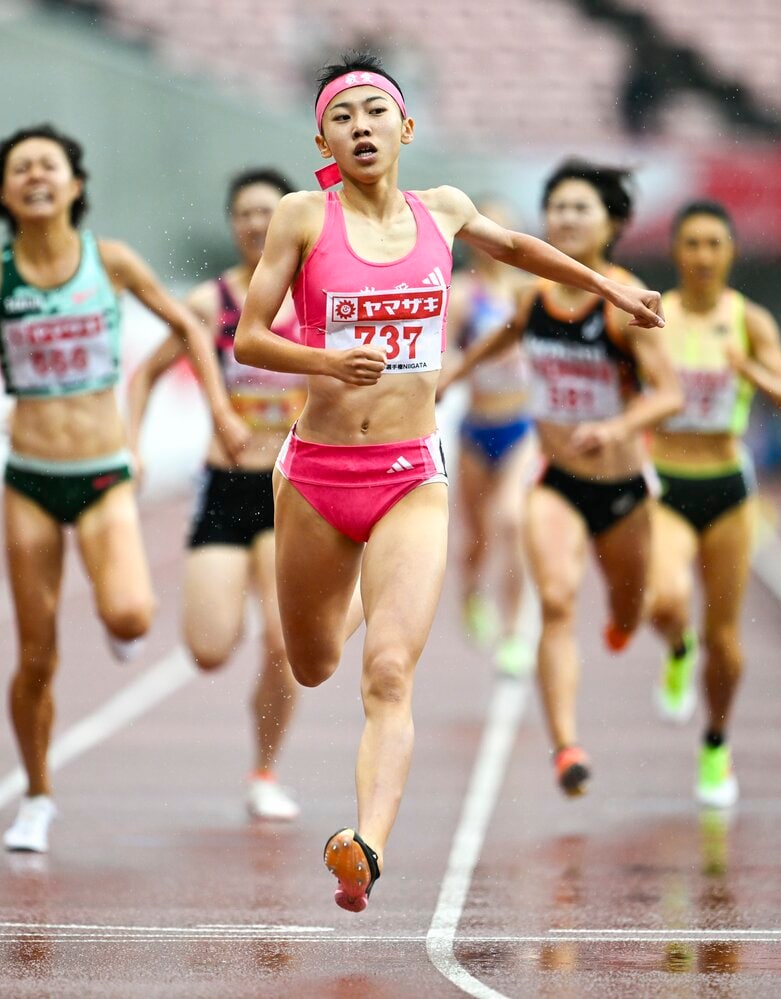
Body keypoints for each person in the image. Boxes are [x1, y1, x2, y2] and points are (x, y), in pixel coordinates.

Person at [234, 55, 665, 911]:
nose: (362, 127)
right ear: (321, 137)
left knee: (390, 673)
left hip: (409, 475)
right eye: (344, 116)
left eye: (376, 112)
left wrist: (612, 288)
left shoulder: (446, 211)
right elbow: (250, 338)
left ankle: (367, 847)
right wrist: (326, 359)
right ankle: (351, 600)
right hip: (317, 474)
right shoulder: (300, 216)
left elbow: (520, 249)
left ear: (407, 130)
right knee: (314, 662)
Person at [0, 124, 245, 853]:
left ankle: (118, 617)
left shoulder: (113, 261)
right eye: (20, 167)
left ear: (74, 184)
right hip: (31, 478)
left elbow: (193, 329)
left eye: (49, 164)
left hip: (100, 475)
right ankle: (36, 794)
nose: (35, 174)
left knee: (129, 615)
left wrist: (220, 409)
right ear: (3, 192)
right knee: (36, 656)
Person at [439, 160, 683, 801]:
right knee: (555, 601)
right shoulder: (534, 297)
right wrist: (453, 376)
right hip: (557, 477)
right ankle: (567, 746)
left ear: (612, 224)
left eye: (582, 208)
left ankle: (636, 627)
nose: (567, 219)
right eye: (559, 208)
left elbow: (670, 395)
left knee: (637, 609)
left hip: (623, 485)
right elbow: (503, 340)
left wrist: (618, 427)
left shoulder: (627, 301)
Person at [125, 167, 309, 821]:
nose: (256, 225)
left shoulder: (317, 297)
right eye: (244, 215)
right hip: (228, 485)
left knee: (285, 645)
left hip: (295, 485)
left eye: (267, 212)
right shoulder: (211, 303)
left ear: (289, 219)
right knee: (208, 648)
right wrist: (134, 447)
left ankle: (265, 769)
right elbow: (143, 376)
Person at [643, 200, 781, 808]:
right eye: (692, 243)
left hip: (728, 488)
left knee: (727, 640)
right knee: (663, 597)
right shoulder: (654, 314)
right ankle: (676, 650)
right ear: (676, 252)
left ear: (730, 252)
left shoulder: (750, 321)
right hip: (666, 481)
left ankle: (715, 742)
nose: (703, 256)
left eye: (715, 244)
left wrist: (751, 373)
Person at [445, 200, 535, 676]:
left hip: (523, 426)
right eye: (490, 225)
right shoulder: (464, 295)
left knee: (511, 521)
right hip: (475, 429)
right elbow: (442, 355)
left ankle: (514, 631)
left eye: (509, 225)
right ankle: (472, 592)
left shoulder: (533, 290)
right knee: (476, 538)